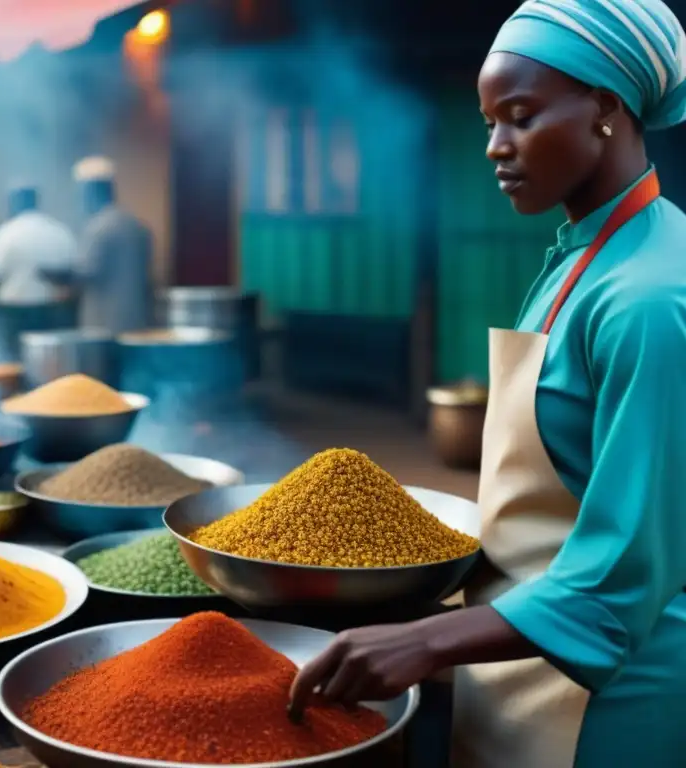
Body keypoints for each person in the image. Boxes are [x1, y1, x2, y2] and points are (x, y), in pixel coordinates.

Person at [286, 2, 686, 766]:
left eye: (520, 116)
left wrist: (427, 639)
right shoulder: (583, 256)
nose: (496, 147)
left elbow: (626, 573)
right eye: (488, 123)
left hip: (608, 703)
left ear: (605, 106)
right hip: (513, 658)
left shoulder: (652, 299)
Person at [40, 157, 154, 335]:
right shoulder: (136, 226)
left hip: (106, 325)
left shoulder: (98, 227)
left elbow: (85, 273)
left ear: (90, 191)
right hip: (140, 321)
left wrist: (53, 274)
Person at [0, 184, 77, 305]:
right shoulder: (59, 230)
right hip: (53, 307)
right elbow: (72, 271)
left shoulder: (6, 233)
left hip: (16, 308)